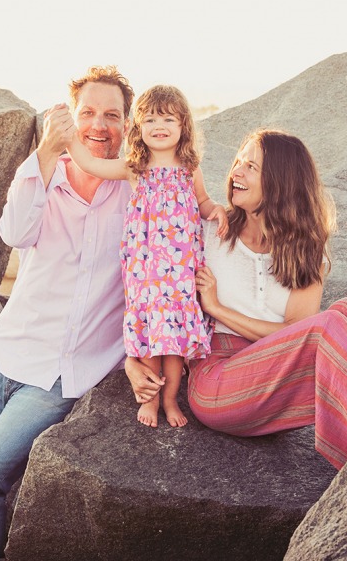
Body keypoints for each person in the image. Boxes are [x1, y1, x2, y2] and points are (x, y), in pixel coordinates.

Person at [126, 129, 347, 469]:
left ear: (281, 181)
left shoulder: (306, 252)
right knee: (330, 324)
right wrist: (132, 359)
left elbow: (295, 332)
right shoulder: (209, 231)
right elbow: (148, 291)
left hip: (275, 370)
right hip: (217, 381)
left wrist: (217, 308)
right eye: (238, 162)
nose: (235, 172)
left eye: (250, 166)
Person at [0, 66, 133, 561]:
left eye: (112, 115)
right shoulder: (45, 176)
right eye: (88, 112)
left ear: (127, 126)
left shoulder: (138, 193)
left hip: (59, 375)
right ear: (67, 117)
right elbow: (14, 233)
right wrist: (45, 153)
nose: (99, 125)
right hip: (1, 356)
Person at [66, 84, 228, 428]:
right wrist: (64, 139)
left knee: (175, 345)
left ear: (183, 126)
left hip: (182, 274)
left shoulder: (189, 168)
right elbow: (90, 164)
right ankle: (151, 400)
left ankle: (171, 400)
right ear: (138, 127)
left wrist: (217, 211)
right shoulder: (135, 167)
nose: (159, 125)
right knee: (152, 339)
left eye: (168, 119)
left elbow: (203, 203)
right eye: (150, 118)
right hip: (147, 272)